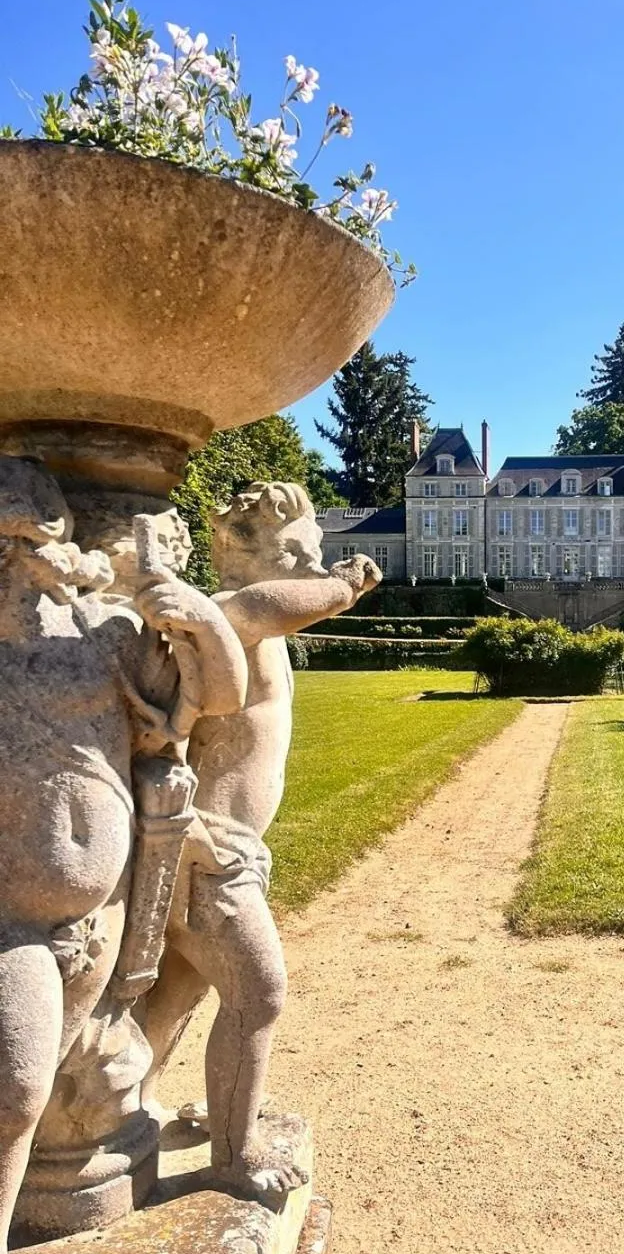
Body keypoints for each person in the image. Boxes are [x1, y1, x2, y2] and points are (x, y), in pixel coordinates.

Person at [0, 459, 246, 1254]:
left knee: (44, 1091)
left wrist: (195, 614)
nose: (21, 560)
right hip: (15, 918)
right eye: (7, 543)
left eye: (28, 540)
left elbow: (218, 695)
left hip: (100, 917)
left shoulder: (98, 637)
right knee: (18, 1085)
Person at [139, 482, 380, 1199]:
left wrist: (326, 581)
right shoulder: (229, 617)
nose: (312, 566)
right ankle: (234, 1157)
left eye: (317, 555)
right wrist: (337, 587)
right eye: (297, 555)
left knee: (175, 997)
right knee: (259, 992)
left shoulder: (255, 632)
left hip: (228, 847)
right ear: (246, 559)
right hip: (205, 852)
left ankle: (131, 1104)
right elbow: (266, 605)